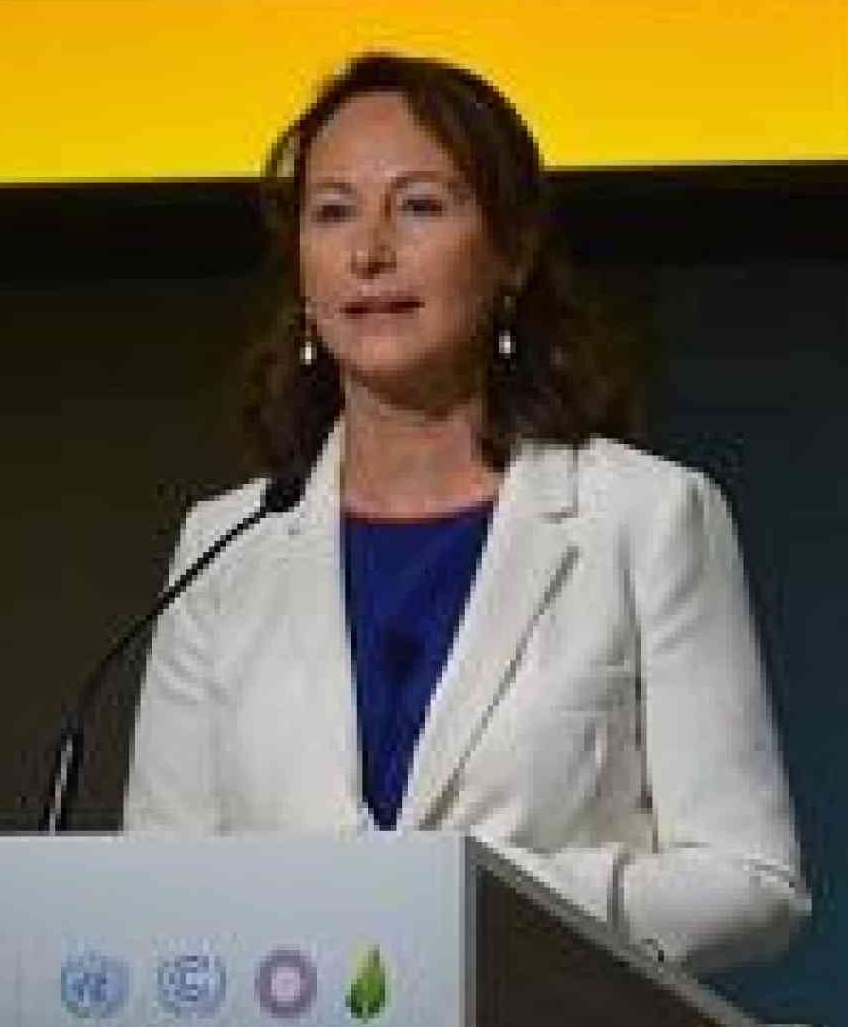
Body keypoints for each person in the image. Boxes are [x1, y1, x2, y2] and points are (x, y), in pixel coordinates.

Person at [122, 52, 809, 971]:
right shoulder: (226, 546)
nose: (370, 251)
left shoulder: (645, 519)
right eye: (333, 213)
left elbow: (750, 886)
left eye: (419, 205)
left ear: (513, 251)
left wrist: (473, 900)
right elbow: (153, 895)